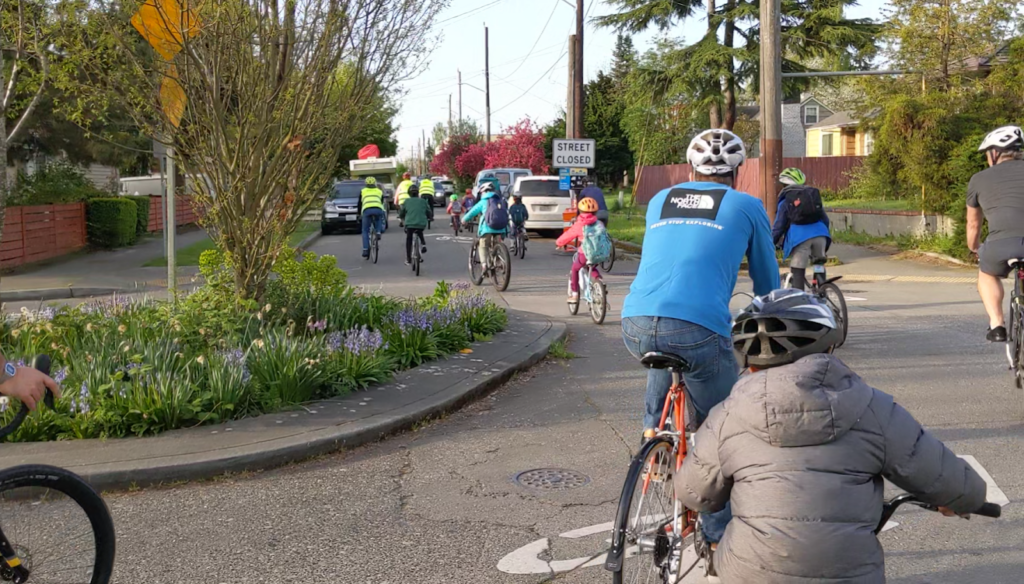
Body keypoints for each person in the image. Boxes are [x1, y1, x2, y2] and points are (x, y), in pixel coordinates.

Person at [676, 288, 989, 583]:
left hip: (752, 573)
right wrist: (963, 498)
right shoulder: (873, 406)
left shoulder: (727, 415)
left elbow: (693, 493)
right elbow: (948, 479)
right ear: (828, 346)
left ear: (749, 361)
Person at [620, 128, 779, 554]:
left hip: (634, 322)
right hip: (697, 327)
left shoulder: (660, 200)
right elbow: (766, 282)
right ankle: (716, 534)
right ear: (738, 170)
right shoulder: (746, 205)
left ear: (689, 167)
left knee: (665, 353)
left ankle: (652, 438)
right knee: (719, 429)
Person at [967, 125, 1024, 342]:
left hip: (1000, 245)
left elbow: (973, 223)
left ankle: (997, 324)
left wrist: (975, 247)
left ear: (995, 153)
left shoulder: (979, 179)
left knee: (987, 273)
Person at [770, 167, 831, 290]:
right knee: (818, 262)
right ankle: (822, 291)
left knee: (798, 269)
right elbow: (825, 219)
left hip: (800, 239)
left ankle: (799, 300)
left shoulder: (786, 201)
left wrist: (770, 243)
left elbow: (779, 226)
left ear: (784, 185)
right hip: (821, 236)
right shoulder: (812, 198)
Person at [555, 197, 607, 301]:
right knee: (591, 267)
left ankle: (574, 294)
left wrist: (559, 243)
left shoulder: (580, 225)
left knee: (575, 269)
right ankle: (599, 281)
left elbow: (568, 235)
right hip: (599, 253)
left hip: (585, 254)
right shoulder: (599, 224)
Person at [461, 182, 509, 272]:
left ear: (483, 192)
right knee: (496, 244)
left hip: (487, 229)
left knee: (483, 245)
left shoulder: (483, 201)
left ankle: (484, 266)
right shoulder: (501, 201)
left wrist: (463, 220)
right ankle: (498, 260)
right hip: (501, 229)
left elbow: (472, 212)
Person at [399, 184, 433, 266]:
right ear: (418, 193)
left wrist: (401, 218)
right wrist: (430, 217)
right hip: (421, 223)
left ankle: (408, 259)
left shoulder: (407, 201)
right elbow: (429, 212)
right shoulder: (423, 201)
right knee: (419, 230)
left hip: (409, 224)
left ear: (409, 193)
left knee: (409, 239)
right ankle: (423, 244)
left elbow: (402, 213)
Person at [358, 177, 386, 259]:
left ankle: (365, 250)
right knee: (379, 218)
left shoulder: (363, 191)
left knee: (365, 230)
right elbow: (381, 202)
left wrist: (359, 213)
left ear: (366, 184)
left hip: (367, 210)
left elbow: (359, 203)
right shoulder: (379, 191)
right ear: (375, 183)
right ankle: (378, 232)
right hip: (377, 209)